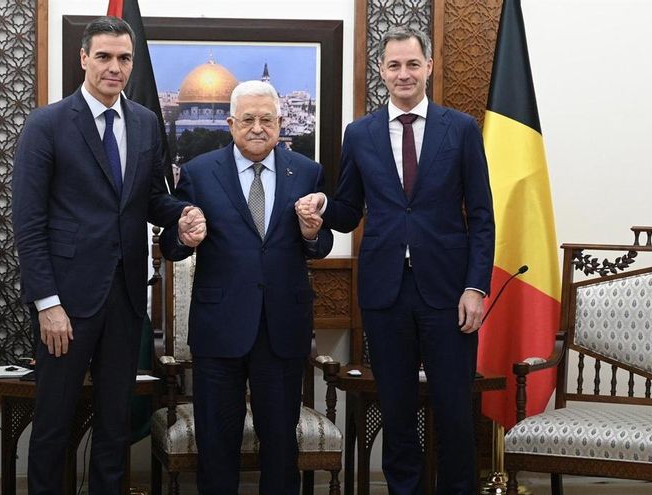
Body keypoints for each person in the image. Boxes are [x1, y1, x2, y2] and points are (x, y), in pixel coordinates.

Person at [12, 16, 205, 495]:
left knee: (114, 426)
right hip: (66, 306)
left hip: (124, 300)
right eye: (104, 56)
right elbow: (29, 225)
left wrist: (181, 215)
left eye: (123, 58)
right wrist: (47, 304)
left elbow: (151, 200)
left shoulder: (143, 123)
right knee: (55, 423)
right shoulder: (47, 124)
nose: (114, 67)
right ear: (84, 59)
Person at [297, 27, 495, 495]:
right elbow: (347, 212)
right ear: (381, 72)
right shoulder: (360, 133)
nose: (403, 74)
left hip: (450, 294)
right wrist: (318, 213)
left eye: (412, 64)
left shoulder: (461, 130)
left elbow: (483, 217)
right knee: (397, 409)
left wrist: (476, 287)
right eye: (394, 65)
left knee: (452, 409)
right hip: (385, 293)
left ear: (428, 67)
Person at [160, 80, 333, 495]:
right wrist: (185, 236)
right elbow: (171, 244)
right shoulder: (200, 172)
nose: (258, 128)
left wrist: (313, 231)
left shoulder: (306, 171)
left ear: (280, 122)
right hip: (219, 330)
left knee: (280, 447)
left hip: (282, 329)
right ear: (230, 123)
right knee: (217, 446)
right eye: (249, 120)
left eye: (267, 119)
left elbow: (320, 246)